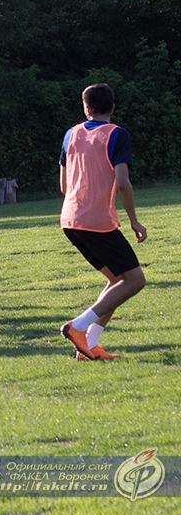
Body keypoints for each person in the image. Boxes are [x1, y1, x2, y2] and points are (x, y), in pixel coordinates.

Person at [59, 84, 146, 360]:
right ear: (113, 108)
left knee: (117, 280)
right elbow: (122, 182)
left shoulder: (71, 134)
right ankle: (78, 326)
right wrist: (134, 221)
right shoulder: (118, 134)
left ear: (87, 108)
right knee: (135, 280)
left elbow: (63, 185)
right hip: (97, 221)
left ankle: (89, 345)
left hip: (70, 219)